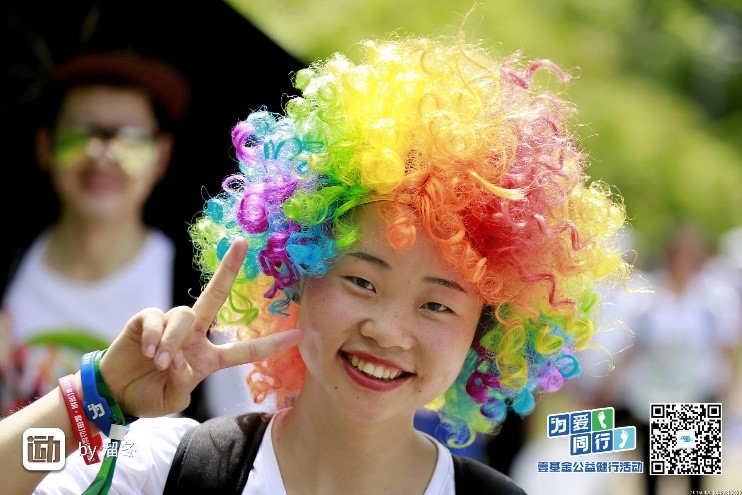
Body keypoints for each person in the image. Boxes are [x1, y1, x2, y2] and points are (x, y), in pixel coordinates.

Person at [0, 32, 630, 494]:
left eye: (437, 303)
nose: (388, 330)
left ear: (485, 332)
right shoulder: (167, 468)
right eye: (362, 281)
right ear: (297, 275)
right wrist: (98, 395)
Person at [0, 50, 196, 417]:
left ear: (161, 156)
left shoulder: (197, 287)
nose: (102, 154)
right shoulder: (10, 262)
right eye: (80, 133)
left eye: (131, 138)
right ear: (45, 145)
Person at [617, 221, 742, 495]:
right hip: (653, 396)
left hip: (697, 394)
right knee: (654, 474)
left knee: (694, 474)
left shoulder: (714, 298)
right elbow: (633, 345)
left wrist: (727, 396)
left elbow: (725, 350)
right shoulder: (648, 296)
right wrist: (613, 383)